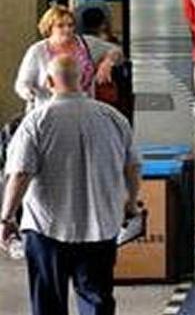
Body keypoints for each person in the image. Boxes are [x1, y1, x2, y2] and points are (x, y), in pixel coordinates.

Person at [2, 55, 141, 315]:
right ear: (84, 79)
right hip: (101, 227)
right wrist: (130, 203)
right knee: (98, 300)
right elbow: (133, 166)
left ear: (49, 81)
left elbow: (20, 174)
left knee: (48, 303)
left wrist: (6, 217)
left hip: (47, 229)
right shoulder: (113, 117)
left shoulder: (36, 121)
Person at [15, 5, 124, 113]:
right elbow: (22, 84)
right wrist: (30, 94)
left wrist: (107, 62)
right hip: (48, 110)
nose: (67, 29)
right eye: (60, 26)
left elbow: (116, 51)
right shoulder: (37, 51)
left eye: (70, 25)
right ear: (50, 28)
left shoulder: (86, 44)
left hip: (85, 108)